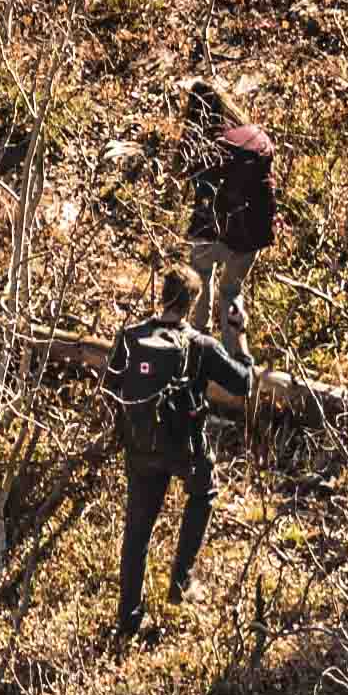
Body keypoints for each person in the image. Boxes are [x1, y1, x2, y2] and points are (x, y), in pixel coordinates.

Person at [106, 270, 253, 646]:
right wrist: (238, 333)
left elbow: (111, 389)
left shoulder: (129, 338)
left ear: (162, 295)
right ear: (193, 302)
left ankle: (128, 622)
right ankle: (180, 582)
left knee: (137, 534)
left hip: (139, 450)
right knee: (203, 493)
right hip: (184, 450)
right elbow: (244, 384)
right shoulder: (200, 345)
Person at [178, 78, 283, 359]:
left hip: (214, 230)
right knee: (231, 289)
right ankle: (234, 355)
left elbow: (189, 178)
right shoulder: (253, 137)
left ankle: (198, 343)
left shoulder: (205, 143)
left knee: (201, 274)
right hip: (253, 233)